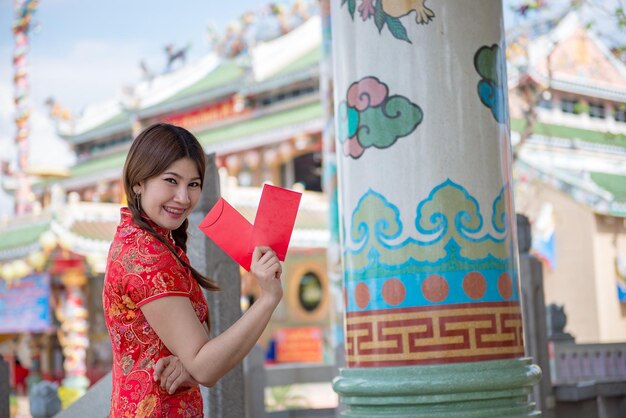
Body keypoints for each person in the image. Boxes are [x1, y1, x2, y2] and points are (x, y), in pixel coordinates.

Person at [103, 123, 283, 417]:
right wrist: (268, 299)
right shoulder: (148, 256)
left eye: (193, 184)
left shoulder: (141, 240)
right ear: (138, 182)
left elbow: (193, 352)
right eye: (171, 181)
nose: (184, 198)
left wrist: (187, 360)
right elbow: (206, 367)